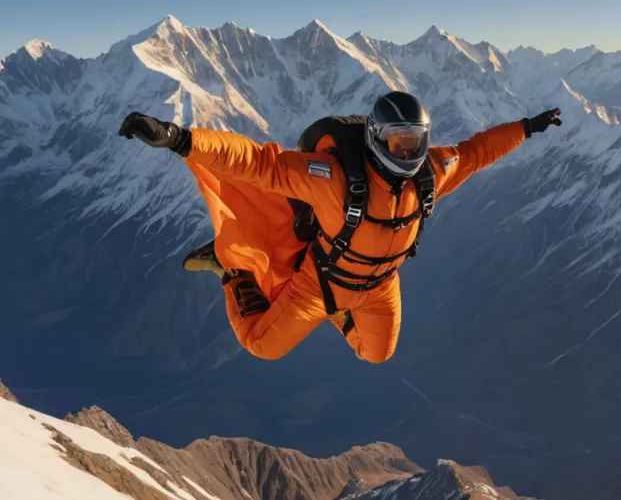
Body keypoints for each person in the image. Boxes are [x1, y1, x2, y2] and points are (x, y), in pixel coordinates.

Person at [118, 91, 562, 363]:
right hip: (320, 284)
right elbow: (257, 162)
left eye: (415, 142)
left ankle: (334, 310)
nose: (407, 153)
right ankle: (232, 271)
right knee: (261, 344)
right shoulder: (333, 179)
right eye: (397, 142)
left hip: (380, 284)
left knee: (377, 354)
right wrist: (179, 139)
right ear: (376, 138)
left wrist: (526, 128)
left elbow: (477, 150)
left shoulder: (430, 173)